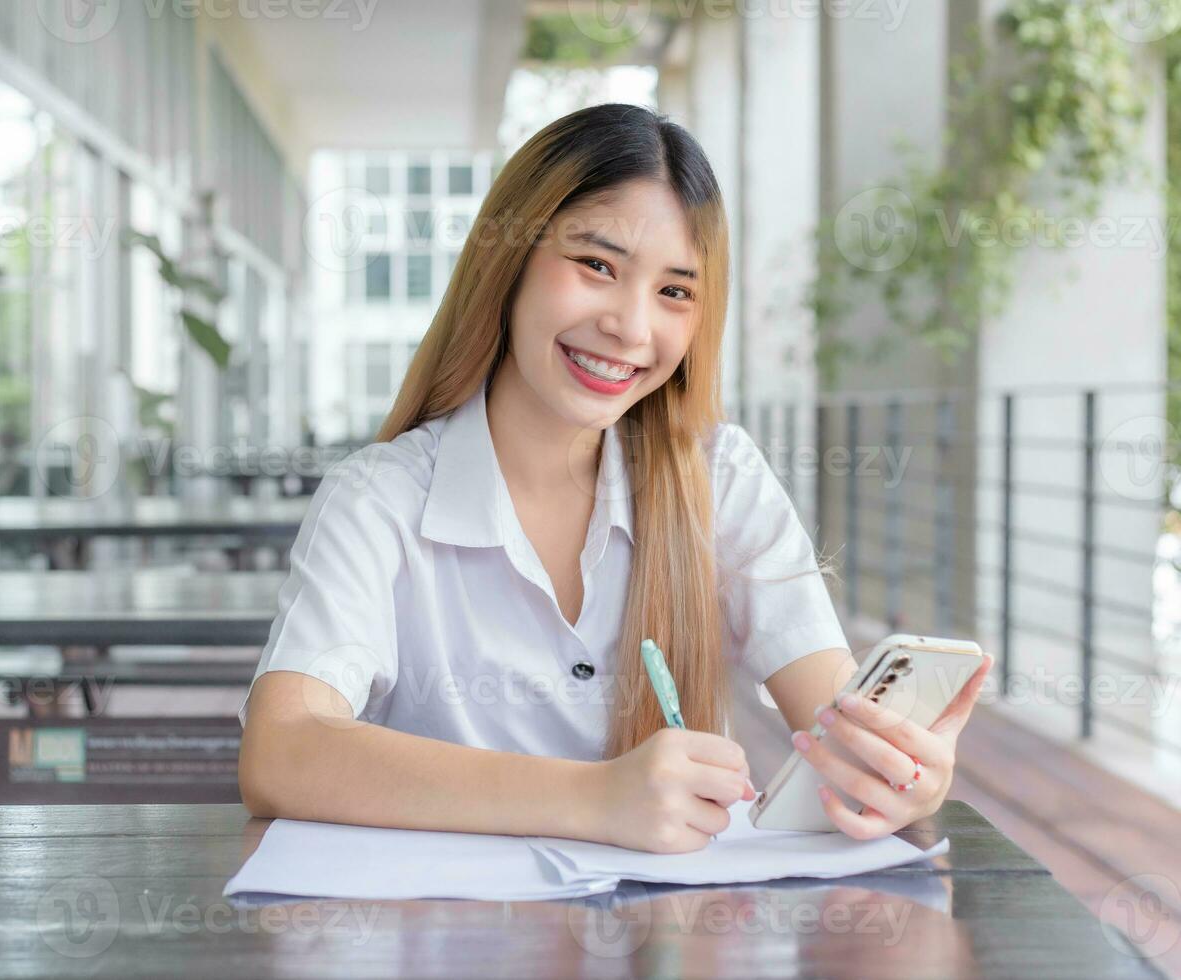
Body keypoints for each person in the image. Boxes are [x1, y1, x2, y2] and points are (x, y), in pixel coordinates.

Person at [238, 104, 992, 853]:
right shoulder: (378, 499)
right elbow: (283, 749)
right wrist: (595, 797)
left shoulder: (716, 476)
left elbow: (830, 710)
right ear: (508, 264)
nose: (631, 328)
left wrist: (890, 768)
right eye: (596, 266)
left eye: (674, 292)